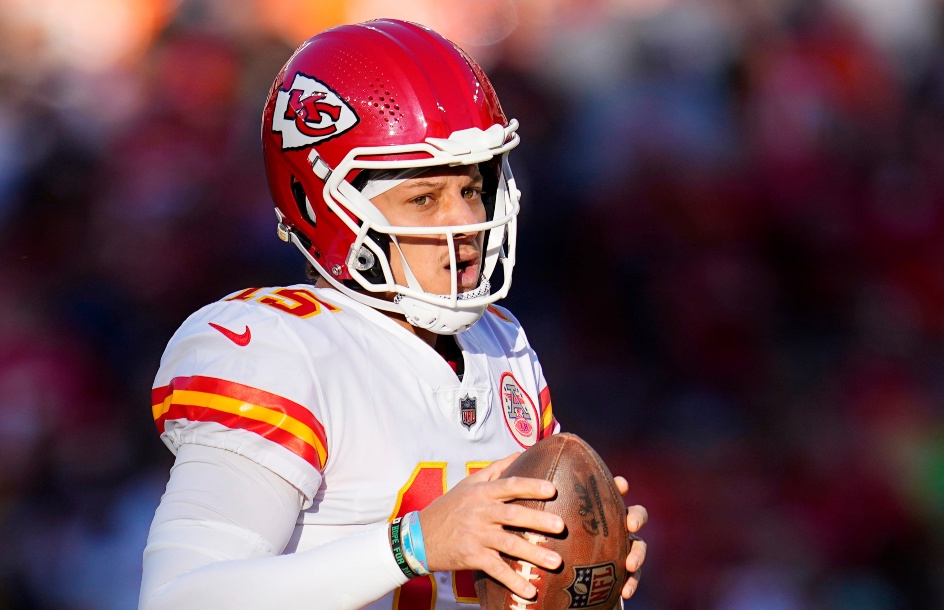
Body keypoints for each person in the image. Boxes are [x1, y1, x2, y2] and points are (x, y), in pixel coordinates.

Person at [139, 19, 647, 609]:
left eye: (472, 188)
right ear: (323, 206)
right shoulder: (280, 350)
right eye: (424, 198)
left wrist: (579, 562)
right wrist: (411, 547)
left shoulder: (498, 340)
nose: (461, 222)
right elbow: (179, 599)